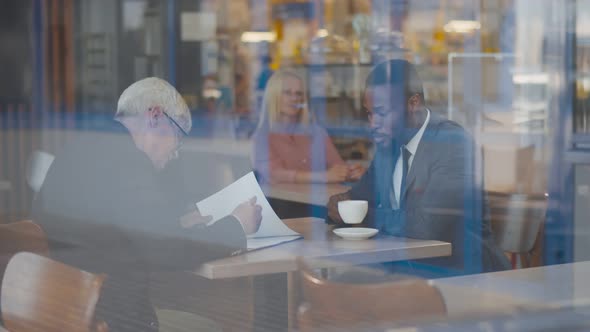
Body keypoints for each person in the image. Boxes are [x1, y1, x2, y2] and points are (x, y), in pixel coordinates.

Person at [32, 77, 262, 331]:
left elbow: (126, 224)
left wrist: (176, 222)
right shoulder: (126, 158)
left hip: (64, 311)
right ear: (154, 116)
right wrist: (238, 224)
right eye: (177, 136)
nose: (174, 153)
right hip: (111, 320)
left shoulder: (81, 146)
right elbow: (169, 252)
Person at [327, 60, 510, 274]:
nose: (373, 123)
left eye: (382, 113)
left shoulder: (452, 142)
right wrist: (337, 205)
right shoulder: (389, 145)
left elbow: (427, 225)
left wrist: (359, 215)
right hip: (405, 271)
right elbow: (358, 198)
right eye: (369, 113)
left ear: (413, 104)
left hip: (460, 274)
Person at [252, 69, 364, 184]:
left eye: (299, 93)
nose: (295, 98)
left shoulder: (317, 132)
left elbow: (337, 166)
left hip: (318, 199)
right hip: (281, 200)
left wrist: (351, 172)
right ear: (273, 96)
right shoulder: (262, 137)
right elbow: (274, 174)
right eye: (287, 92)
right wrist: (323, 176)